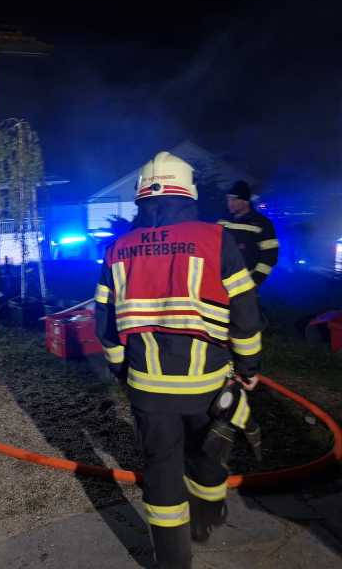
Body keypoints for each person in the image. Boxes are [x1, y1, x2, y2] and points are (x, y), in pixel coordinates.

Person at [95, 152, 264, 568]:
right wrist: (248, 368)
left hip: (147, 386)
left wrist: (120, 368)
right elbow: (244, 311)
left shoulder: (117, 249)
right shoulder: (215, 239)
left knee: (162, 469)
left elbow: (106, 322)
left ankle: (173, 560)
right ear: (189, 192)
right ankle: (207, 518)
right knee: (208, 452)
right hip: (206, 383)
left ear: (141, 197)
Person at [218, 180, 279, 286]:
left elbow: (270, 256)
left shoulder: (262, 223)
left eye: (234, 199)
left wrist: (255, 280)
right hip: (221, 281)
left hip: (246, 283)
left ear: (245, 201)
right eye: (228, 199)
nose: (230, 203)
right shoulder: (222, 221)